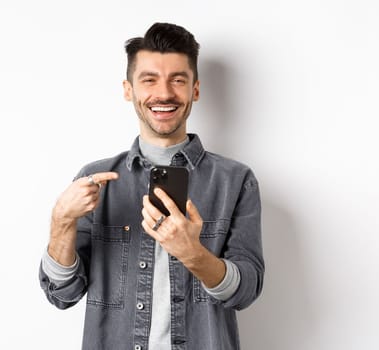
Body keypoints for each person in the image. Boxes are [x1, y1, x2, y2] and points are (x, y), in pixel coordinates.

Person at [38, 22, 264, 350]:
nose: (164, 93)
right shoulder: (94, 179)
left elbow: (247, 290)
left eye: (178, 80)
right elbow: (63, 294)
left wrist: (193, 253)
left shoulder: (235, 181)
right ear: (128, 89)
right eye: (149, 80)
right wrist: (61, 222)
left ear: (195, 90)